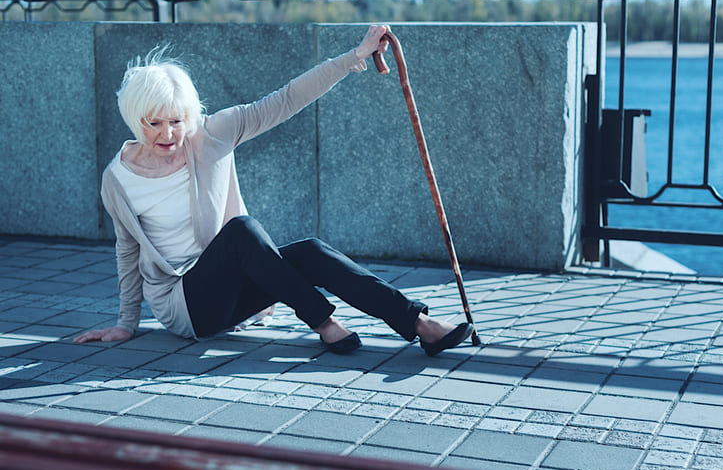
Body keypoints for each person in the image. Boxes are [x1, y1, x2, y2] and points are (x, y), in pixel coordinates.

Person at [74, 24, 474, 357]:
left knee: (310, 251)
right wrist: (126, 323)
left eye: (177, 121)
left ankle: (418, 323)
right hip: (187, 308)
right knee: (242, 231)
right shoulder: (119, 179)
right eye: (155, 123)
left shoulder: (211, 134)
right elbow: (127, 250)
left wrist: (355, 55)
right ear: (135, 118)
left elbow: (287, 99)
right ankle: (323, 322)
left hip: (237, 290)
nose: (168, 134)